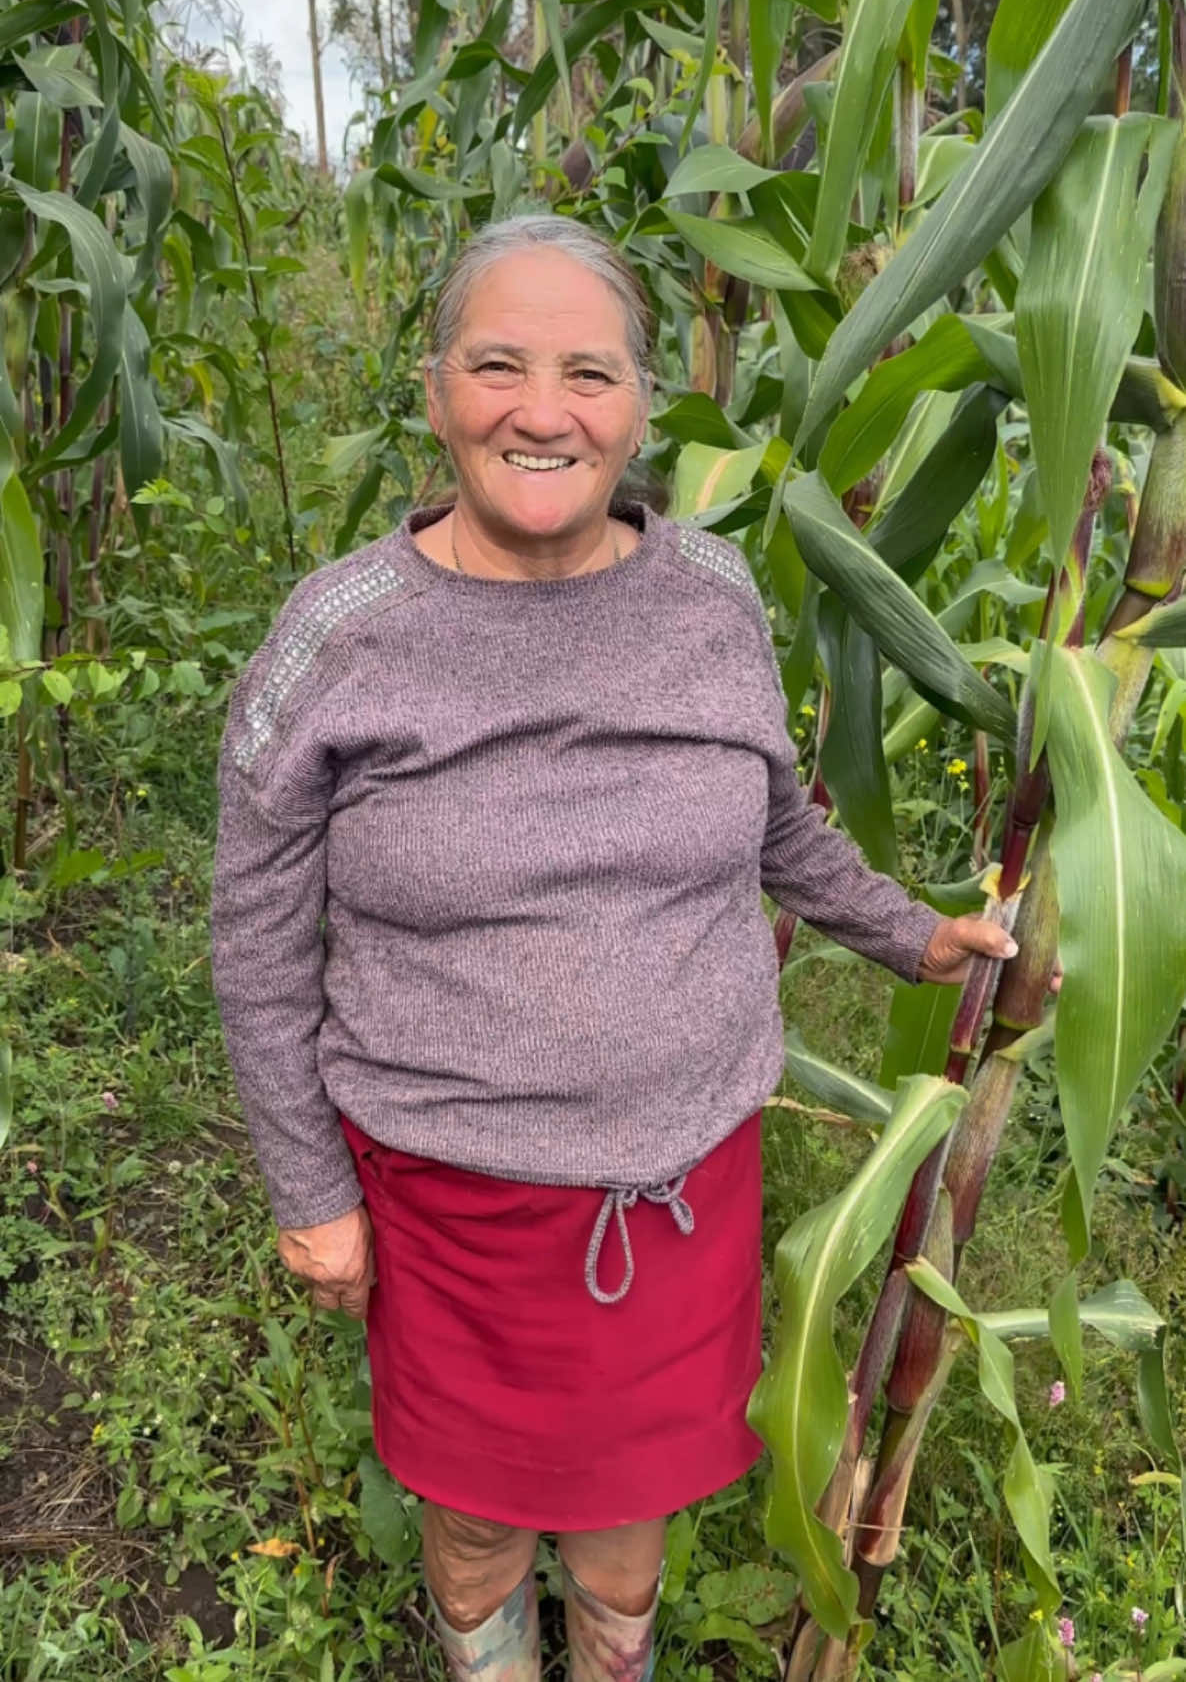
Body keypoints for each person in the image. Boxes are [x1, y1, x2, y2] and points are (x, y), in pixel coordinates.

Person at [211, 214, 1018, 1682]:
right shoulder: (340, 635)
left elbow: (774, 821)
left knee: (626, 1511)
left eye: (588, 371)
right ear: (437, 386)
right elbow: (256, 937)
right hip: (454, 1199)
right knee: (469, 1519)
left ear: (642, 401)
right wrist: (306, 1186)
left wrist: (912, 934)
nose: (541, 409)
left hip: (675, 1178)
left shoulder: (705, 598)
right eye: (498, 364)